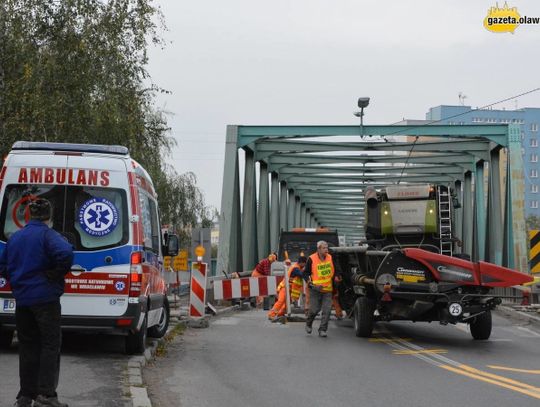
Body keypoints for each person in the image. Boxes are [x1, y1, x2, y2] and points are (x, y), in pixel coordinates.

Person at [0, 198, 74, 407]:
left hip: (22, 300)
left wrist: (17, 278)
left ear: (29, 215)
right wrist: (55, 274)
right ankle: (46, 395)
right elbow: (66, 253)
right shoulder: (48, 235)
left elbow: (3, 266)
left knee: (27, 346)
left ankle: (25, 396)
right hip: (46, 300)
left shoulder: (15, 238)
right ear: (48, 216)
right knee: (50, 345)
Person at [303, 241, 341, 337]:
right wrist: (309, 282)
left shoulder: (330, 257)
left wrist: (337, 275)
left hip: (327, 290)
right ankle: (308, 323)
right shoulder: (311, 258)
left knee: (327, 311)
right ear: (319, 249)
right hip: (315, 289)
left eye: (327, 248)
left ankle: (322, 330)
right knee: (314, 310)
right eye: (324, 248)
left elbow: (336, 269)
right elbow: (305, 273)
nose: (326, 250)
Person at [267, 256, 307, 321]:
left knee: (287, 303)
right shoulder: (296, 268)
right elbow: (301, 274)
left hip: (289, 288)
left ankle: (280, 314)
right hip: (285, 287)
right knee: (281, 301)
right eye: (305, 264)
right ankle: (271, 315)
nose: (305, 265)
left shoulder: (297, 267)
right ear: (302, 263)